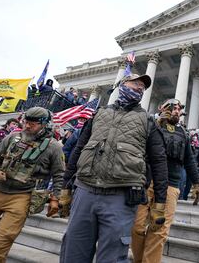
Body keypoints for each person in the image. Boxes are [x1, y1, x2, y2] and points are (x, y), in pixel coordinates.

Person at [59, 73, 168, 263]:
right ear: (121, 85)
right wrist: (65, 188)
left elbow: (159, 163)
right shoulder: (98, 114)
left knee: (112, 257)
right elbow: (78, 150)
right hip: (85, 191)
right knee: (73, 252)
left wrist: (160, 203)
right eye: (134, 83)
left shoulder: (149, 122)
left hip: (122, 197)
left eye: (142, 87)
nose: (139, 88)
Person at [0, 107, 65, 262]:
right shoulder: (13, 137)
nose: (27, 126)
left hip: (22, 196)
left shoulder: (54, 147)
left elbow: (59, 174)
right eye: (26, 122)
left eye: (33, 123)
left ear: (45, 124)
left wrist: (55, 199)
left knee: (0, 244)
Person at [131, 98, 199, 263]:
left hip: (171, 185)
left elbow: (189, 160)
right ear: (161, 108)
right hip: (147, 182)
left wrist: (197, 183)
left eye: (178, 108)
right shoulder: (150, 125)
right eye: (172, 107)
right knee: (137, 226)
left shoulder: (183, 133)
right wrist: (157, 124)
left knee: (159, 231)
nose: (176, 110)